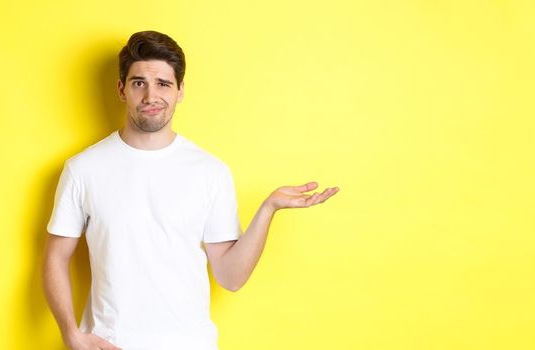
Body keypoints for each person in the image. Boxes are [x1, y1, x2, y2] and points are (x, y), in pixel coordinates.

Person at [42, 30, 339, 350]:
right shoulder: (84, 168)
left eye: (164, 84)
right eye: (139, 82)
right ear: (121, 89)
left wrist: (268, 208)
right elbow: (56, 257)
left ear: (180, 91)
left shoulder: (210, 172)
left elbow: (230, 277)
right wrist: (70, 333)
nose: (150, 96)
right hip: (111, 343)